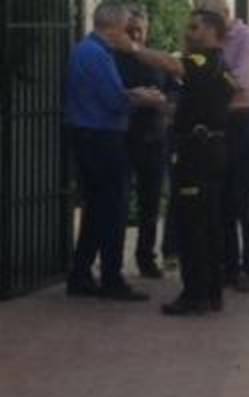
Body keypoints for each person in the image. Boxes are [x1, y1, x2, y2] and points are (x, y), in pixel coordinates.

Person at [117, 9, 238, 316]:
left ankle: (195, 295)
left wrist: (132, 48)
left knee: (192, 225)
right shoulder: (221, 65)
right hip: (212, 149)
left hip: (197, 154)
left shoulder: (203, 60)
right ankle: (211, 293)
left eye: (194, 27)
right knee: (210, 223)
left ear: (211, 31)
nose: (188, 32)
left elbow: (172, 64)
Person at [65, 2, 164, 301]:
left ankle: (80, 274)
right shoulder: (97, 54)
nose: (127, 33)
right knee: (112, 208)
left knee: (96, 209)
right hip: (101, 135)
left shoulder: (86, 50)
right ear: (113, 27)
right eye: (124, 27)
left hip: (89, 133)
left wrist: (132, 95)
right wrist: (142, 98)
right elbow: (113, 99)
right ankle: (111, 277)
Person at [195, 0, 249, 293]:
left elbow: (241, 81)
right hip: (218, 120)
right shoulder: (210, 41)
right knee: (220, 196)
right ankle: (228, 265)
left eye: (208, 17)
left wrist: (207, 74)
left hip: (243, 120)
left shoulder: (248, 38)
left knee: (242, 197)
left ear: (224, 14)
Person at [116, 5, 170, 279]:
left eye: (140, 28)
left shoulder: (156, 59)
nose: (136, 34)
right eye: (131, 28)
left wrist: (163, 104)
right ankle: (111, 260)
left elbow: (175, 94)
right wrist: (134, 97)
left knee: (150, 203)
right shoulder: (114, 58)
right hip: (124, 137)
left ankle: (146, 258)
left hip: (153, 138)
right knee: (119, 200)